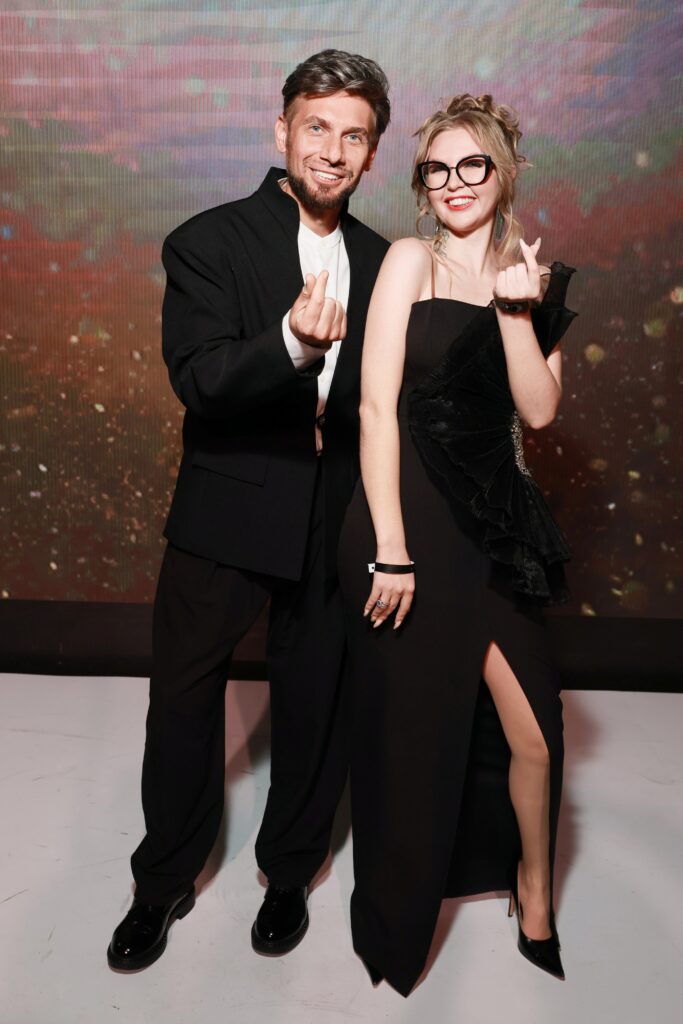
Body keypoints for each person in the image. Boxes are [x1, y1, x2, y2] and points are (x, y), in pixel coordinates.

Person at [107, 49, 390, 972]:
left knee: (316, 700)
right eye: (318, 127)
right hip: (228, 507)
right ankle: (161, 883)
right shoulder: (206, 241)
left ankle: (289, 873)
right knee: (183, 701)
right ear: (282, 130)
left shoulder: (385, 261)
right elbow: (200, 378)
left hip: (334, 515)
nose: (333, 151)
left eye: (355, 136)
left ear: (372, 152)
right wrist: (291, 343)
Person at [338, 93, 577, 996]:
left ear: (501, 173)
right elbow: (374, 408)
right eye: (435, 169)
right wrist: (390, 547)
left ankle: (533, 893)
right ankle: (398, 912)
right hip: (406, 522)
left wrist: (516, 313)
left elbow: (538, 412)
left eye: (470, 164)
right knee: (411, 737)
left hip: (494, 531)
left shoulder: (531, 279)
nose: (453, 182)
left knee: (537, 739)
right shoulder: (410, 261)